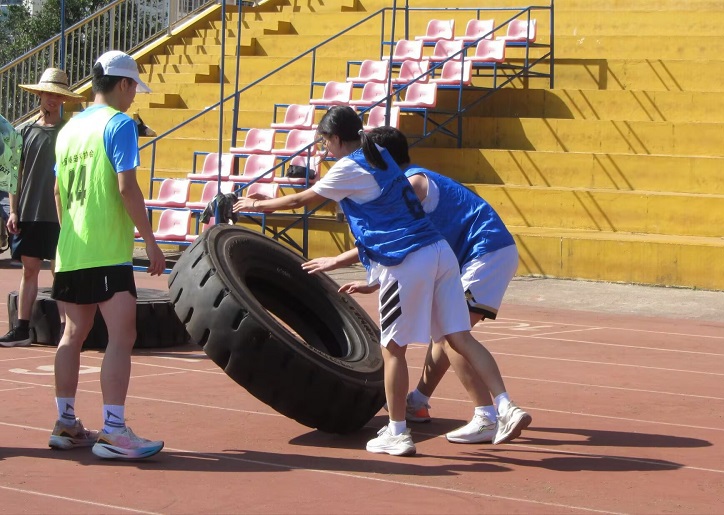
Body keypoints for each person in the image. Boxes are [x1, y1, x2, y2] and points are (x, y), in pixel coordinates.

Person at [233, 106, 531, 456]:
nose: (324, 149)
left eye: (325, 142)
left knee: (392, 350)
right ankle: (504, 406)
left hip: (409, 259)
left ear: (335, 138)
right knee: (458, 337)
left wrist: (255, 204)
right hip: (440, 253)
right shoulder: (382, 158)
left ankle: (398, 431)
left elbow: (302, 199)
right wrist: (373, 279)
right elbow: (382, 217)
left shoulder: (349, 167)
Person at [302, 126, 519, 444]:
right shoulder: (408, 181)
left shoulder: (411, 184)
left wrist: (338, 261)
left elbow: (400, 239)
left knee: (452, 335)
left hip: (484, 252)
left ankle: (489, 413)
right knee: (447, 334)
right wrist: (375, 281)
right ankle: (419, 401)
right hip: (475, 253)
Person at [49, 50, 166, 460]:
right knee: (122, 335)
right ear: (122, 84)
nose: (134, 96)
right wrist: (150, 240)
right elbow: (126, 187)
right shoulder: (119, 124)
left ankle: (66, 422)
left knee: (72, 334)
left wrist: (68, 236)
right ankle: (114, 430)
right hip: (106, 250)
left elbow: (59, 193)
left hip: (71, 248)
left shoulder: (66, 130)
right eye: (134, 86)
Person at [0, 69, 84, 347]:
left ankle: (64, 330)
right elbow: (15, 175)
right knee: (29, 270)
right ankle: (22, 328)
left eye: (58, 95)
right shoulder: (23, 132)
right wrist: (13, 211)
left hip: (62, 215)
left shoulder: (71, 132)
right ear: (40, 95)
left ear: (64, 99)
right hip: (30, 212)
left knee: (60, 270)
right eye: (48, 93)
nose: (52, 99)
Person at [0, 113, 23, 254]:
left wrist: (13, 212)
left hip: (5, 179)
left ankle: (17, 248)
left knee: (15, 216)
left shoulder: (7, 130)